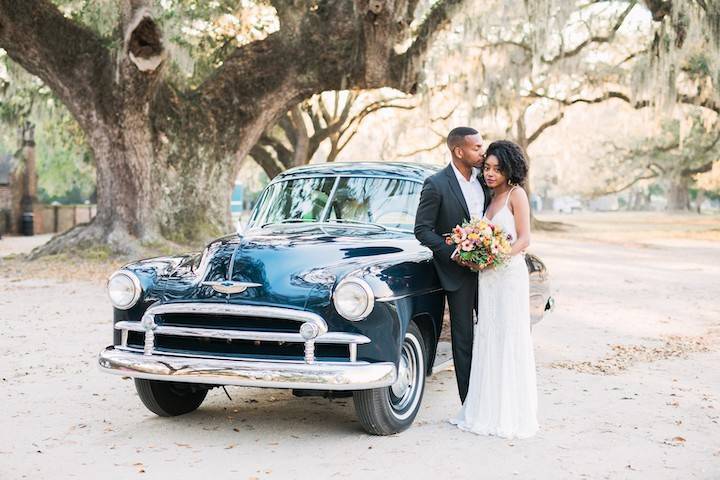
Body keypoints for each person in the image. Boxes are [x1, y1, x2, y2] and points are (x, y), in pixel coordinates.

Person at [450, 140, 539, 439]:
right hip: (487, 278)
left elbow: (524, 239)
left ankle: (509, 413)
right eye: (487, 168)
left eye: (497, 169)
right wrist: (476, 254)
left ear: (509, 170)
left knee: (509, 336)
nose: (489, 174)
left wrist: (497, 256)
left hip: (509, 275)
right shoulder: (489, 199)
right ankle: (484, 408)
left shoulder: (517, 195)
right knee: (488, 335)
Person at [414, 126, 490, 403]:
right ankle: (469, 401)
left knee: (492, 330)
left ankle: (492, 394)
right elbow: (422, 230)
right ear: (459, 151)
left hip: (490, 270)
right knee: (463, 337)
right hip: (456, 272)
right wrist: (454, 252)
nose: (482, 152)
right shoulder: (436, 184)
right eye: (477, 148)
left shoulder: (486, 180)